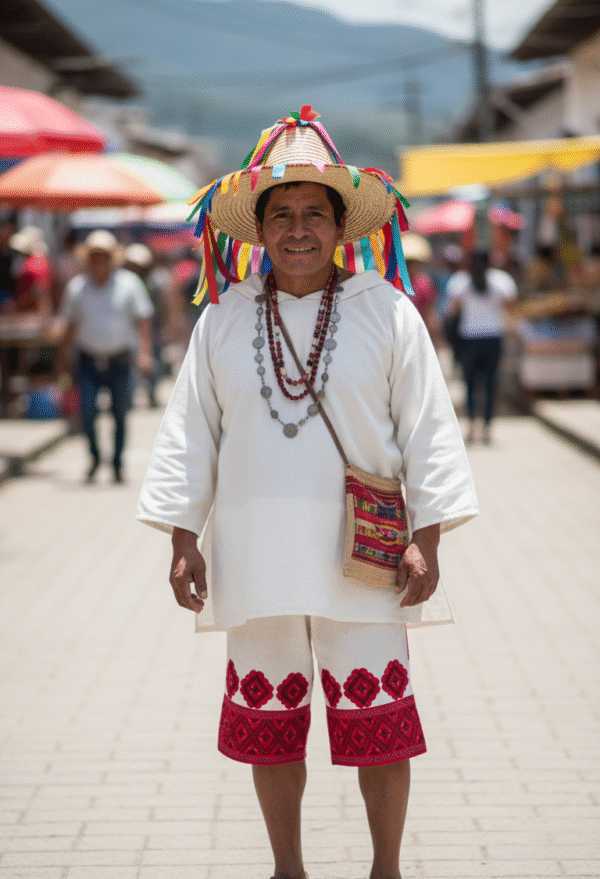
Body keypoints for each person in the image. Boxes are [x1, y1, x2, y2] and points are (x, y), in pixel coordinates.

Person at [137, 108, 478, 879]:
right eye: (281, 214)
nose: (298, 229)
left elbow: (428, 426)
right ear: (257, 231)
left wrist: (429, 536)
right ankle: (287, 867)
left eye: (313, 214)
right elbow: (192, 430)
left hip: (365, 557)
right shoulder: (220, 318)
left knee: (380, 723)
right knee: (270, 720)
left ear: (340, 226)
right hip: (254, 556)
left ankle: (385, 867)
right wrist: (181, 534)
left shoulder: (387, 311)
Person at [56, 230, 154, 483]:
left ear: (112, 259)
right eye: (94, 257)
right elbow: (69, 327)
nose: (98, 262)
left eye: (103, 257)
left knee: (120, 414)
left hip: (120, 359)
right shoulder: (77, 288)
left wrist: (145, 354)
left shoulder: (129, 284)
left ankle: (118, 464)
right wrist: (62, 360)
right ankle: (95, 457)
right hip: (88, 359)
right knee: (87, 411)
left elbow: (143, 322)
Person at [446, 248, 517, 445]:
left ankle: (470, 425)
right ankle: (486, 428)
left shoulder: (460, 281)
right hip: (493, 338)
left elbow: (452, 312)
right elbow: (511, 309)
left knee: (469, 384)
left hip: (468, 339)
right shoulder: (502, 280)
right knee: (490, 384)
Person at [3, 225, 53, 317]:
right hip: (34, 312)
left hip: (29, 313)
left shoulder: (33, 264)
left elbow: (37, 291)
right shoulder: (42, 261)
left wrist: (15, 305)